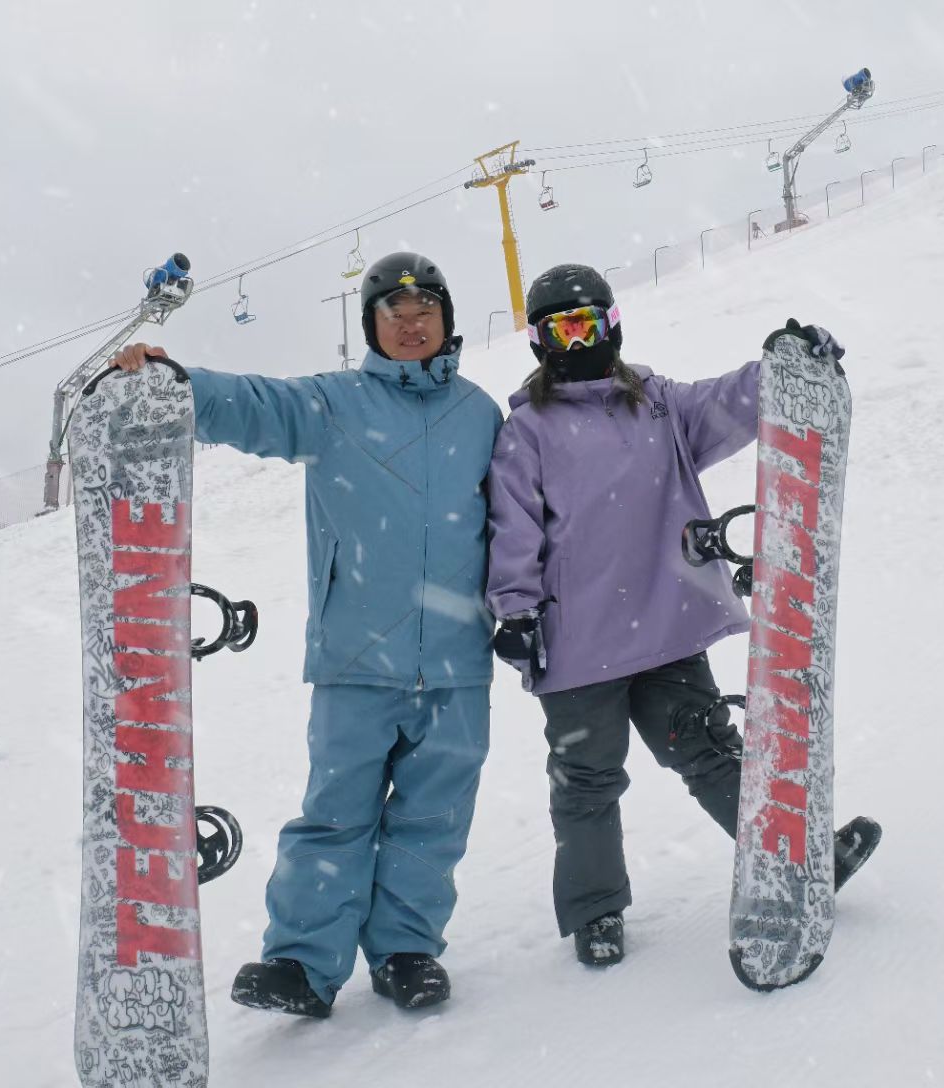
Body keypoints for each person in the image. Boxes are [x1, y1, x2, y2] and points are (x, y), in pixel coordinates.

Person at [111, 252, 502, 1016]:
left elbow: (522, 520)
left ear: (447, 320)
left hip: (459, 664)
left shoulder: (482, 415)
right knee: (334, 813)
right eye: (394, 314)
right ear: (372, 327)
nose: (411, 325)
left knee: (434, 817)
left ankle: (407, 951)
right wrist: (177, 383)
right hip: (357, 655)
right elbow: (254, 404)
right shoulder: (333, 405)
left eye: (425, 311)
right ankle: (300, 963)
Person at [486, 263, 880, 968]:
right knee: (587, 780)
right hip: (577, 644)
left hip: (664, 627)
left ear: (612, 326)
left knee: (709, 751)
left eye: (587, 325)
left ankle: (797, 862)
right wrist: (515, 610)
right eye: (560, 330)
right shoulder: (528, 432)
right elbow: (511, 527)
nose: (576, 342)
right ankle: (596, 913)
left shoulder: (658, 404)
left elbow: (728, 402)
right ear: (540, 342)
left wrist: (783, 366)